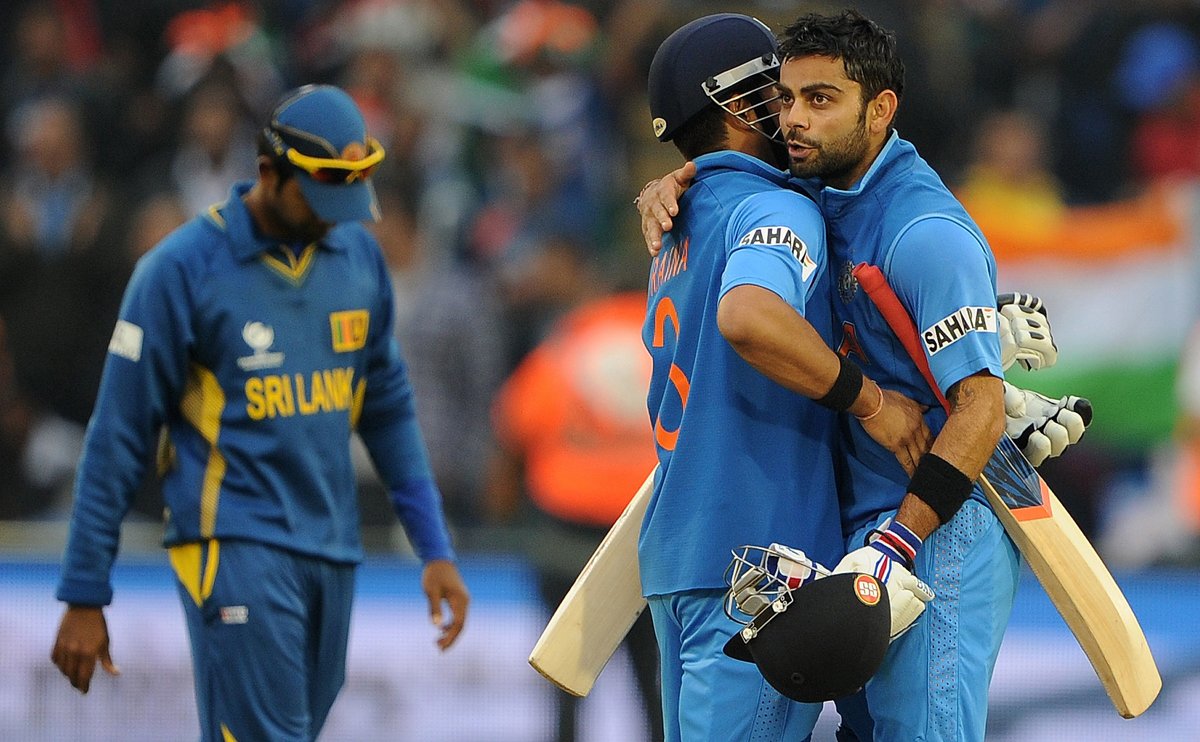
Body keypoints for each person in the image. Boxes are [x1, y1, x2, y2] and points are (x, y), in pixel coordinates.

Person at [637, 10, 1034, 741]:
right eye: (783, 98)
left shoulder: (920, 229)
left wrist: (895, 544)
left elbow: (975, 408)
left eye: (819, 99)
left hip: (920, 532)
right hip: (806, 550)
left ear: (880, 108)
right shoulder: (798, 197)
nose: (792, 120)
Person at [49, 84, 470, 742]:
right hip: (233, 540)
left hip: (332, 545)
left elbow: (386, 410)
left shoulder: (359, 258)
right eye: (320, 196)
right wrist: (84, 588)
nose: (338, 216)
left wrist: (434, 548)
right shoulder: (179, 271)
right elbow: (118, 437)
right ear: (269, 173)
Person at [488, 288, 664, 742]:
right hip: (646, 530)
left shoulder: (567, 345)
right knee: (655, 678)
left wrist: (503, 513)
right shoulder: (669, 338)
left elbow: (514, 425)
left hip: (566, 530)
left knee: (565, 676)